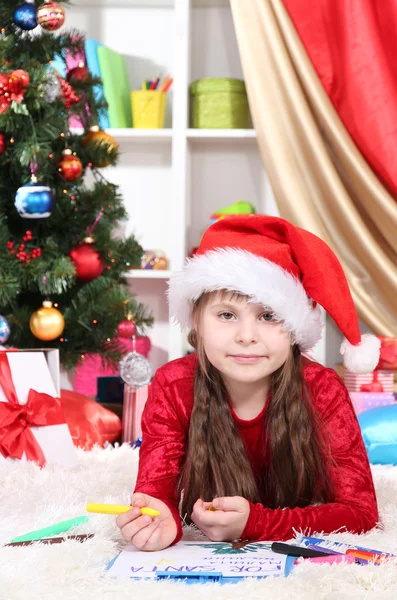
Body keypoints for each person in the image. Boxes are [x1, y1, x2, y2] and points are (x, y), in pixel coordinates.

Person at [116, 215, 380, 552]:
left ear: (294, 327)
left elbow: (360, 513)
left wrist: (257, 523)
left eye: (269, 316)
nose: (246, 337)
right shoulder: (173, 385)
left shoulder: (322, 388)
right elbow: (156, 488)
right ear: (197, 319)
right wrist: (159, 516)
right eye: (226, 315)